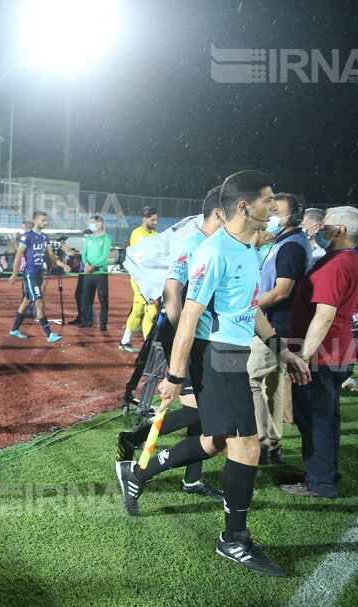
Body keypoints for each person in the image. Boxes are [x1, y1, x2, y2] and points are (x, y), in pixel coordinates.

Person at [116, 170, 310, 577]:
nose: (273, 209)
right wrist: (174, 375)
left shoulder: (249, 249)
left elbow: (249, 308)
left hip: (234, 352)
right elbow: (189, 316)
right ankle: (233, 539)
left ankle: (139, 472)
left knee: (216, 441)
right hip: (216, 355)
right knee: (247, 445)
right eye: (267, 201)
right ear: (244, 206)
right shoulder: (213, 251)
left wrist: (281, 349)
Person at [117, 186, 227, 500]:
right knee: (197, 413)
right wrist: (184, 337)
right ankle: (135, 439)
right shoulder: (191, 242)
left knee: (203, 412)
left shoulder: (219, 243)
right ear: (219, 212)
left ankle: (191, 479)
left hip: (202, 336)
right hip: (182, 333)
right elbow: (171, 293)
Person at [282, 207, 358, 498]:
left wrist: (302, 357)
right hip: (335, 352)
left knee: (315, 420)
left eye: (325, 226)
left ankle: (320, 481)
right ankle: (321, 473)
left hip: (322, 354)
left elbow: (324, 316)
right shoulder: (345, 260)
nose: (318, 229)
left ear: (340, 230)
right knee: (325, 419)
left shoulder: (336, 265)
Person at [248, 192, 312, 464]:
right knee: (273, 386)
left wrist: (247, 306)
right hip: (285, 324)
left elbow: (281, 291)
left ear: (291, 217)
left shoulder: (290, 246)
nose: (271, 215)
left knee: (249, 379)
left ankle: (261, 443)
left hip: (276, 325)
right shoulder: (290, 241)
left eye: (276, 212)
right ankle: (271, 444)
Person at [8, 211, 69, 341]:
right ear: (35, 221)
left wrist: (62, 264)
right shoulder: (27, 236)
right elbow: (19, 254)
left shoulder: (45, 237)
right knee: (39, 301)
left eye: (46, 221)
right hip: (30, 274)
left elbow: (51, 255)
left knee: (27, 302)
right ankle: (49, 334)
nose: (45, 223)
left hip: (39, 274)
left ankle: (14, 329)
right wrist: (14, 274)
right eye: (43, 220)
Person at [119, 206, 160, 353]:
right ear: (144, 219)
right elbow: (140, 257)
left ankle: (124, 342)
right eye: (152, 219)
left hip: (149, 279)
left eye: (156, 219)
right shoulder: (137, 234)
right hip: (140, 279)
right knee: (151, 309)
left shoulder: (156, 234)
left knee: (137, 310)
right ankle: (147, 347)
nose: (155, 222)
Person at [77, 215, 111, 329]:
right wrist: (87, 265)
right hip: (88, 274)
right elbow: (84, 254)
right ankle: (87, 321)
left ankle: (103, 323)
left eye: (93, 222)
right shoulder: (89, 239)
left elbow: (105, 255)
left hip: (100, 273)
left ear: (99, 223)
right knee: (87, 298)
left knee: (103, 298)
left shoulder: (106, 238)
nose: (91, 224)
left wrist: (94, 266)